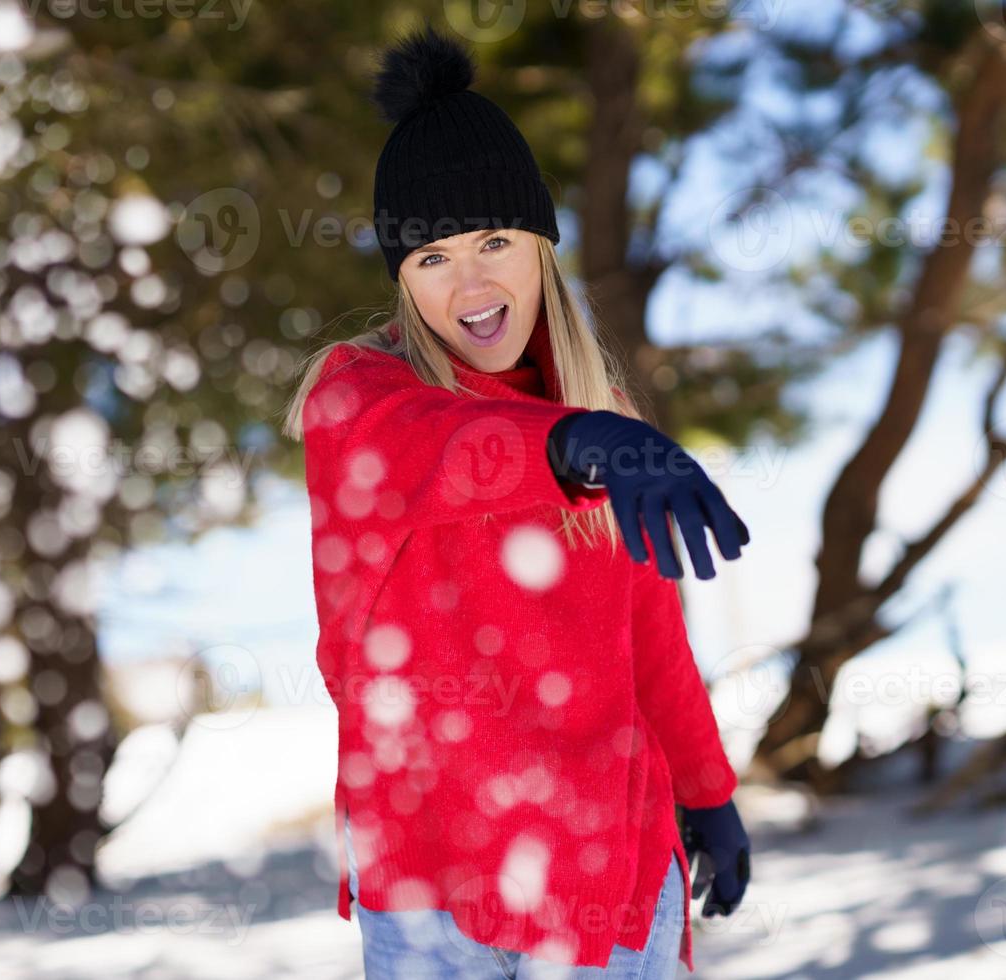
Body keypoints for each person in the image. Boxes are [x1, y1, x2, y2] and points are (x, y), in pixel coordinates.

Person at [279, 26, 753, 979]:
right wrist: (568, 447)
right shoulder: (358, 397)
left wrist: (707, 791)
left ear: (540, 245)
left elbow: (650, 638)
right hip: (428, 889)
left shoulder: (597, 414)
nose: (472, 283)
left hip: (605, 876)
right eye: (433, 257)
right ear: (403, 279)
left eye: (496, 241)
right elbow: (438, 452)